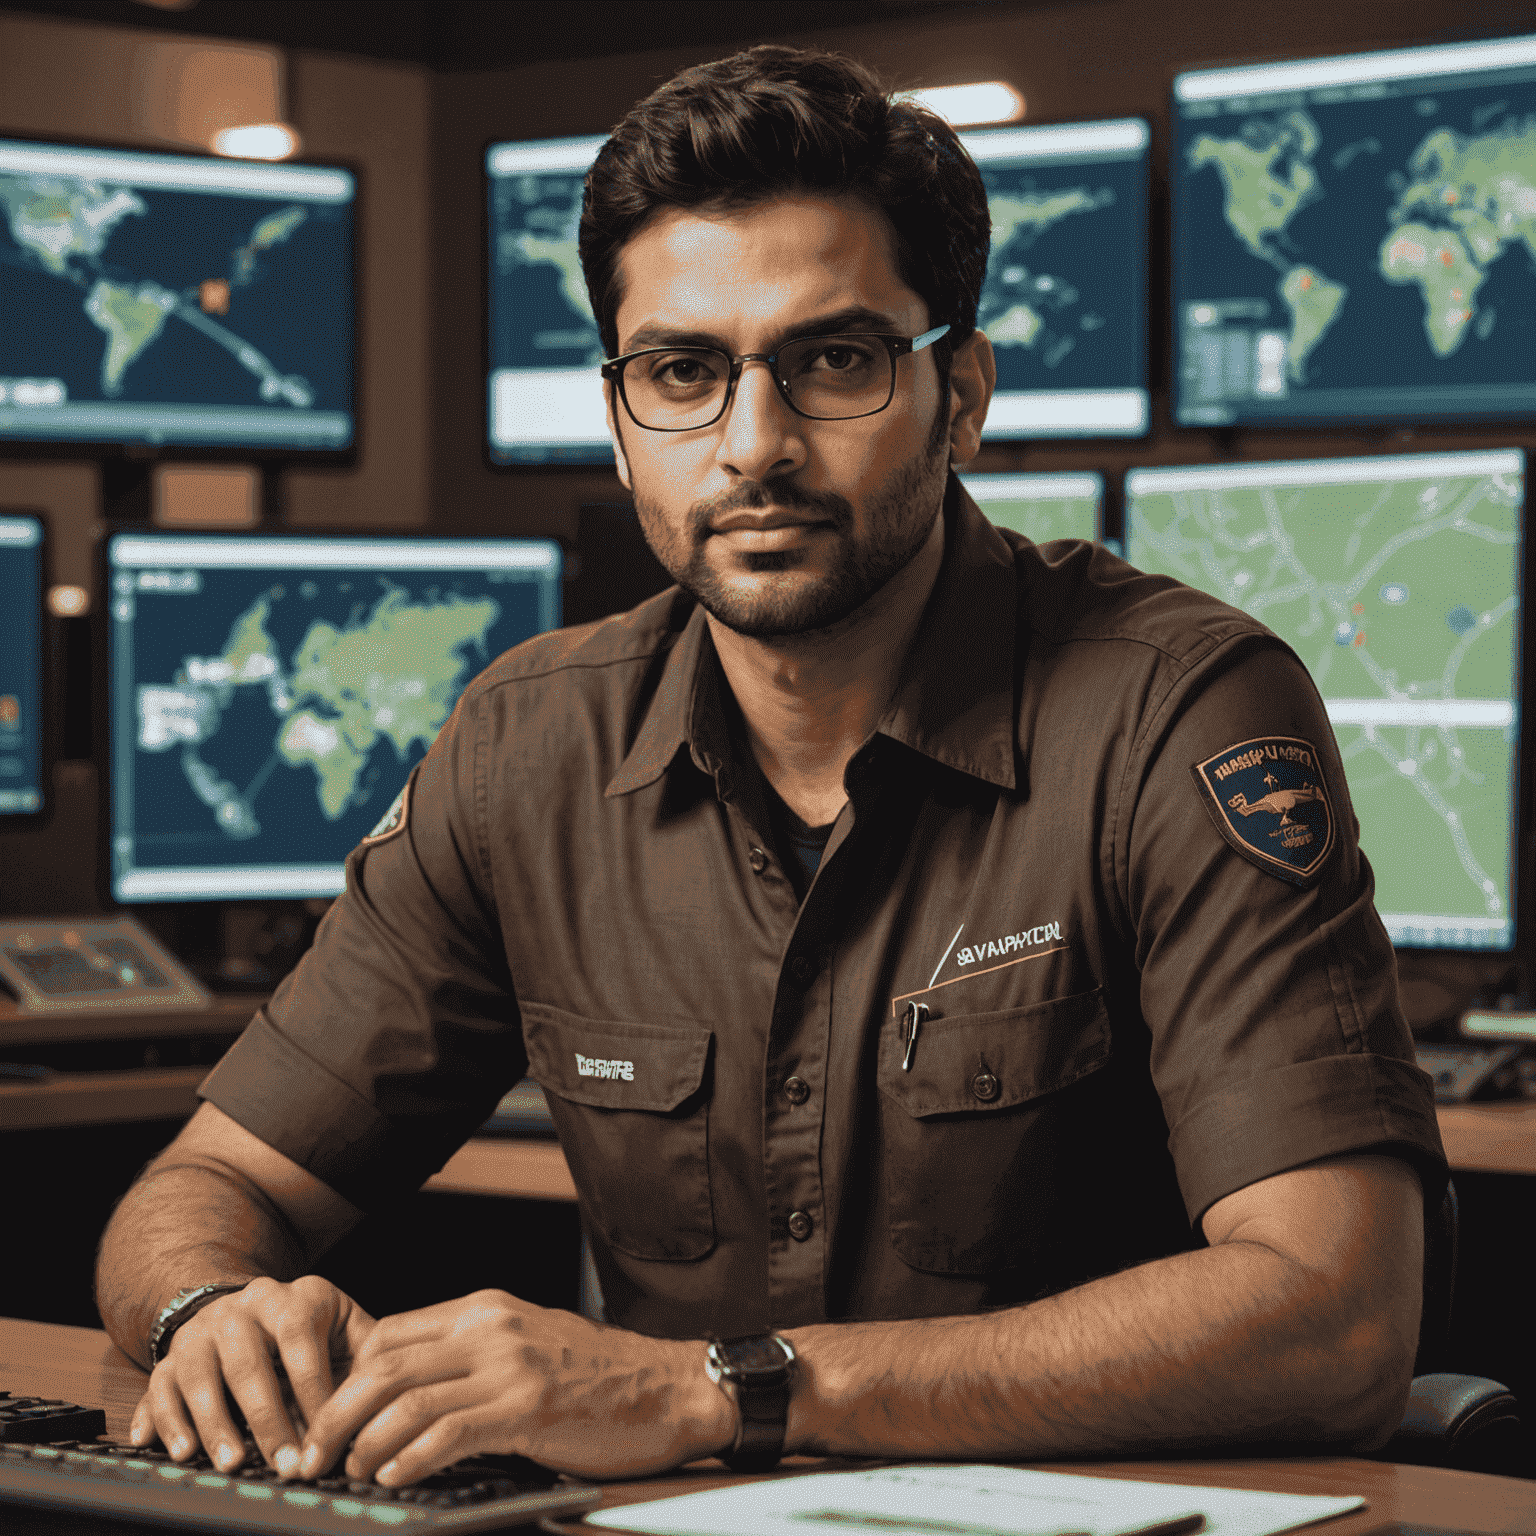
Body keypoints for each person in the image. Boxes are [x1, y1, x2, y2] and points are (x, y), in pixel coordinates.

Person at [96, 43, 1445, 1491]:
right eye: (683, 371)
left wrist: (715, 1394)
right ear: (622, 420)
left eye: (835, 362)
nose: (755, 445)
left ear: (963, 394)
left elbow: (1337, 1315)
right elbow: (204, 1189)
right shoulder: (529, 747)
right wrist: (211, 1312)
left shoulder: (1174, 712)